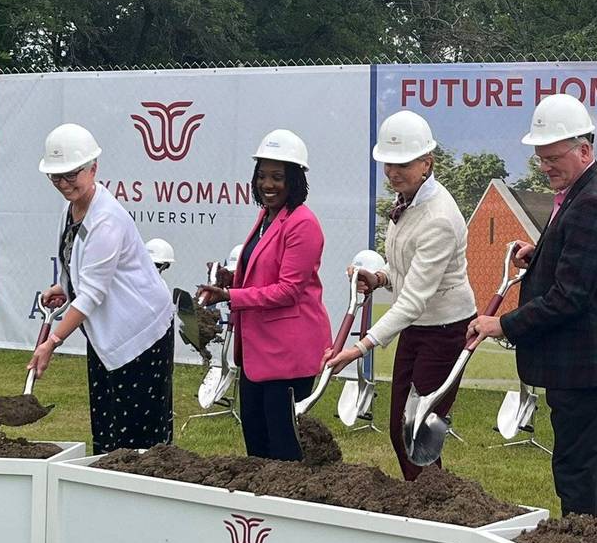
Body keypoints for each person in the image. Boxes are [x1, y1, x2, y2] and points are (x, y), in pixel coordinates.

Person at [469, 94, 597, 524]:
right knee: (593, 460)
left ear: (584, 149)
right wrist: (538, 254)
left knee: (576, 467)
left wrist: (501, 323)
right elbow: (577, 260)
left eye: (553, 157)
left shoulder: (592, 202)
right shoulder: (586, 190)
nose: (545, 167)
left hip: (581, 359)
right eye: (540, 158)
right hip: (589, 356)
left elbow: (569, 297)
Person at [322, 111, 477, 480]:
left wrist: (359, 348)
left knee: (417, 431)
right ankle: (426, 503)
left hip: (445, 332)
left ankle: (435, 510)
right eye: (388, 163)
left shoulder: (438, 217)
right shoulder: (406, 201)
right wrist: (378, 277)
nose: (393, 171)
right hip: (419, 328)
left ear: (427, 163)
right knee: (401, 429)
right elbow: (406, 271)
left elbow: (413, 299)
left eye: (403, 164)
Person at [30, 123, 175, 454]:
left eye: (71, 174)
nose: (64, 184)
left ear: (93, 168)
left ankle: (141, 496)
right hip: (107, 336)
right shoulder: (70, 208)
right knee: (108, 424)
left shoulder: (107, 219)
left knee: (139, 438)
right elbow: (78, 266)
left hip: (140, 333)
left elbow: (93, 295)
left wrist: (51, 343)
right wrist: (64, 286)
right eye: (56, 177)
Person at [198, 129, 330, 461]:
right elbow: (263, 272)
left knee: (285, 450)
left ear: (295, 181)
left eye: (277, 177)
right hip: (259, 352)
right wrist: (232, 278)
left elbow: (288, 290)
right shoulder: (266, 217)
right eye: (262, 175)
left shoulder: (303, 224)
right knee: (256, 445)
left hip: (289, 354)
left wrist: (230, 295)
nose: (267, 184)